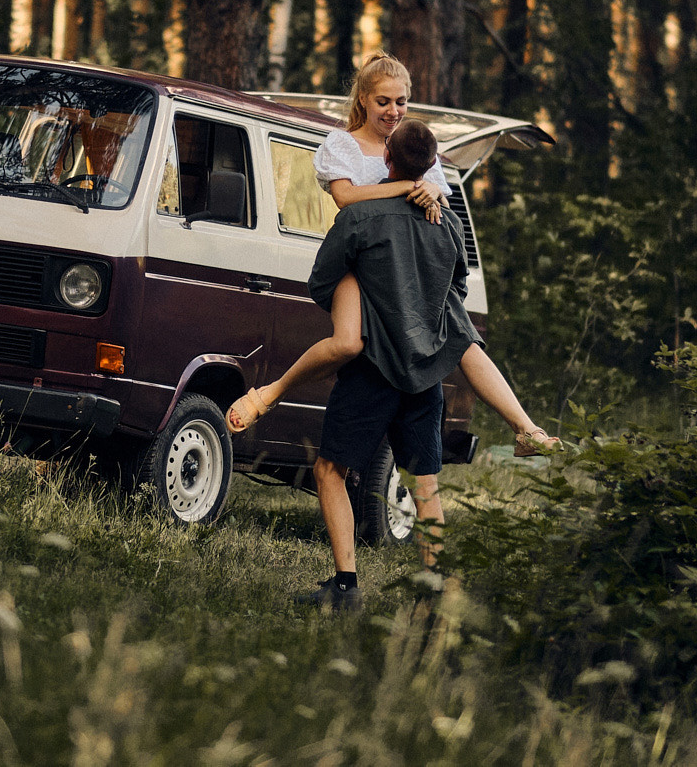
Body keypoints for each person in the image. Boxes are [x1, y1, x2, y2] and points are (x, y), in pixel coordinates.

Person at [226, 53, 555, 457]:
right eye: (383, 101)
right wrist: (404, 188)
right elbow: (346, 197)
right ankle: (271, 392)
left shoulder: (413, 145)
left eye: (400, 101)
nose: (393, 111)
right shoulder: (343, 144)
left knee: (464, 340)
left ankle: (527, 430)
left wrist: (434, 190)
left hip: (405, 266)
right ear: (363, 99)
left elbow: (441, 210)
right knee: (347, 343)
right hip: (357, 261)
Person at [288, 119, 480, 610]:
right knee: (425, 485)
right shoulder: (449, 222)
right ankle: (434, 591)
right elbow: (456, 291)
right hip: (425, 376)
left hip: (370, 369)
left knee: (331, 469)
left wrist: (361, 302)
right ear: (430, 165)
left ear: (387, 161)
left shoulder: (359, 219)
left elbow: (322, 280)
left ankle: (346, 587)